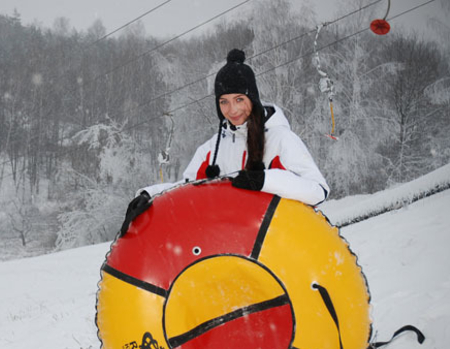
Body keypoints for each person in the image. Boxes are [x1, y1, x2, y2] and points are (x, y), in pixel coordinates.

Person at [120, 48, 329, 237]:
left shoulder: (280, 139)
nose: (232, 110)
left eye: (239, 99)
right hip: (231, 251)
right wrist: (150, 195)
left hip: (277, 248)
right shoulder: (212, 149)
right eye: (224, 102)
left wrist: (264, 180)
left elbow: (318, 190)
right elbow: (187, 191)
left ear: (252, 98)